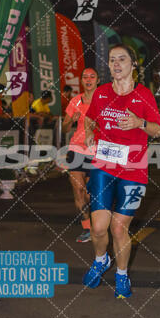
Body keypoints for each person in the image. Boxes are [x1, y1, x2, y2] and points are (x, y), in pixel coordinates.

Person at [83, 45, 160, 298]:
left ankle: (122, 275)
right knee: (98, 228)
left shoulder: (144, 95)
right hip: (103, 166)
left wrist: (140, 123)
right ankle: (100, 260)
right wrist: (87, 133)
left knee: (118, 228)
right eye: (112, 60)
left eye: (122, 59)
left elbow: (158, 130)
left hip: (133, 170)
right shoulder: (101, 93)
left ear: (133, 64)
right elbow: (89, 117)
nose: (116, 64)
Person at [62, 68, 99, 243]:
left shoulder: (104, 101)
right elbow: (64, 128)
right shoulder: (75, 101)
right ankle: (87, 229)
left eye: (92, 76)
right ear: (82, 81)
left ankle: (100, 224)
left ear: (97, 80)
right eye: (85, 77)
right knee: (78, 191)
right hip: (76, 149)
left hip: (97, 151)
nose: (89, 79)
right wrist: (71, 120)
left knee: (91, 194)